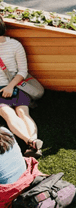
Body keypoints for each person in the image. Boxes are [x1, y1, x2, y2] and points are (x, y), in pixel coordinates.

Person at [0, 15, 43, 159]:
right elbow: (22, 71)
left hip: (15, 85)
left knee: (16, 114)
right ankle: (34, 142)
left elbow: (23, 71)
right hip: (8, 87)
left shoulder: (15, 45)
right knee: (16, 114)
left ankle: (30, 142)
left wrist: (9, 87)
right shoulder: (15, 44)